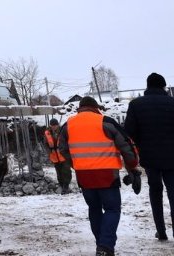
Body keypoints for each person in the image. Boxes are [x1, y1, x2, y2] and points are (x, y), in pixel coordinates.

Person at [59, 96, 139, 256]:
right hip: (107, 174)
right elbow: (126, 146)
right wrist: (132, 167)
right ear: (96, 108)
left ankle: (101, 245)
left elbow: (62, 149)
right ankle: (105, 246)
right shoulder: (106, 122)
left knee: (94, 209)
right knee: (112, 209)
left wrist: (76, 165)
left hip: (84, 176)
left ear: (79, 108)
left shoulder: (68, 125)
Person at [124, 72, 174, 249]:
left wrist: (141, 144)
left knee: (155, 193)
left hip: (150, 158)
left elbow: (129, 131)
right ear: (164, 86)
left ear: (147, 86)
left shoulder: (136, 105)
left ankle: (161, 231)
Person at [44, 118, 72, 194]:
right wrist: (50, 151)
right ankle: (62, 186)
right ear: (50, 125)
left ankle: (66, 187)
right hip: (54, 156)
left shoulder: (63, 131)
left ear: (57, 125)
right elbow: (46, 144)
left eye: (55, 125)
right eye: (52, 125)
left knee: (66, 171)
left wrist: (66, 151)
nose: (54, 127)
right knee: (59, 172)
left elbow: (68, 142)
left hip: (63, 155)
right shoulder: (47, 133)